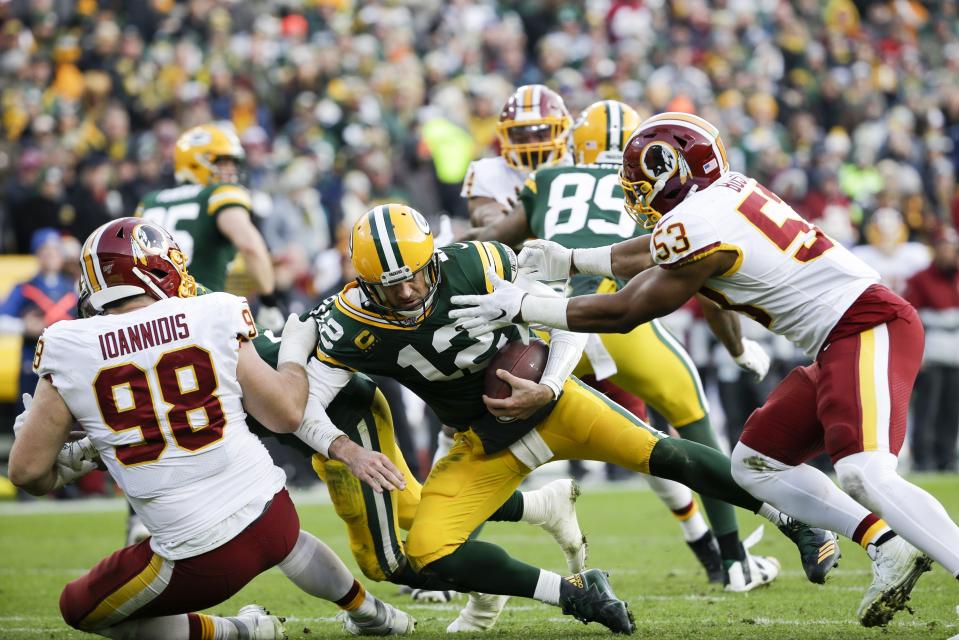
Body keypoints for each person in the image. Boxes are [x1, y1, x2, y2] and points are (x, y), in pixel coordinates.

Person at [449, 111, 958, 628]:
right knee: (756, 462)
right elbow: (650, 251)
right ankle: (890, 546)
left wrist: (525, 307)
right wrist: (573, 262)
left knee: (863, 470)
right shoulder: (723, 195)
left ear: (672, 171)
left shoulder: (699, 223)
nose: (638, 196)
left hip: (867, 326)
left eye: (642, 183)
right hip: (839, 339)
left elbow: (626, 312)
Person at [305, 203, 837, 635]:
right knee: (427, 552)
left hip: (556, 406)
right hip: (484, 440)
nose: (404, 293)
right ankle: (575, 593)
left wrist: (548, 386)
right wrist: (339, 443)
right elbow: (306, 402)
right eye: (390, 283)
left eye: (414, 276)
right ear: (365, 282)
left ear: (432, 260)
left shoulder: (477, 264)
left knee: (662, 453)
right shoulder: (350, 319)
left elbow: (563, 319)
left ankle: (793, 520)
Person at [8, 218, 413, 639]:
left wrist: (73, 462)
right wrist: (293, 353)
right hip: (274, 517)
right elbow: (287, 414)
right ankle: (370, 611)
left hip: (196, 559)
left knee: (78, 607)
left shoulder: (68, 345)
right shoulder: (213, 311)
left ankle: (238, 630)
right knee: (289, 543)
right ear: (156, 268)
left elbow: (27, 473)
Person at [463, 99, 786, 589]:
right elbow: (706, 284)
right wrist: (738, 349)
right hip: (617, 323)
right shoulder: (656, 191)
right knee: (691, 420)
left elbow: (496, 242)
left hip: (550, 325)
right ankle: (734, 558)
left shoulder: (547, 181)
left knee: (494, 435)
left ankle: (449, 561)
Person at [135, 122, 284, 329]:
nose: (230, 171)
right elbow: (251, 247)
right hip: (203, 317)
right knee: (279, 353)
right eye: (222, 163)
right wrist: (269, 302)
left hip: (154, 321)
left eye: (233, 164)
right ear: (195, 163)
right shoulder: (219, 194)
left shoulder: (149, 202)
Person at [0, 229, 77, 413]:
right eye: (45, 250)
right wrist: (24, 327)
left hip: (68, 362)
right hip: (33, 362)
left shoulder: (73, 288)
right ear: (37, 254)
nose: (50, 255)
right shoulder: (25, 288)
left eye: (55, 250)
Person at [903, 226, 959, 472]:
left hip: (955, 351)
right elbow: (911, 318)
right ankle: (923, 456)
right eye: (944, 248)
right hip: (932, 350)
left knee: (951, 407)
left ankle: (946, 455)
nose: (948, 254)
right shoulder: (920, 279)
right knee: (928, 406)